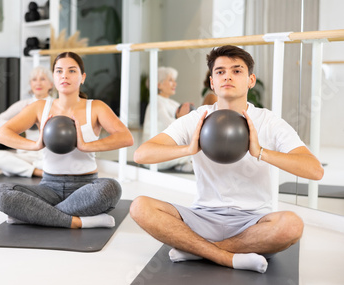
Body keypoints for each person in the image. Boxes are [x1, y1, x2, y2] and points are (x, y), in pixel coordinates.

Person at [130, 45, 324, 273]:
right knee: (140, 206)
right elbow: (141, 154)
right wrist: (188, 149)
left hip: (252, 224)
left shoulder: (269, 122)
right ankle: (228, 257)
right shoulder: (196, 119)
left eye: (236, 71)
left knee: (291, 226)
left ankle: (200, 251)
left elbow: (314, 170)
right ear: (212, 82)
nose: (227, 76)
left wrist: (261, 152)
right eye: (220, 71)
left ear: (251, 80)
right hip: (202, 217)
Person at [0, 51, 134, 229]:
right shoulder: (39, 107)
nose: (64, 75)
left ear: (82, 77)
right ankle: (77, 222)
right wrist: (35, 145)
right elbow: (1, 134)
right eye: (59, 71)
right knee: (0, 193)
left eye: (72, 71)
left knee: (111, 188)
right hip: (49, 187)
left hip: (86, 186)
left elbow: (126, 138)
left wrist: (86, 146)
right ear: (54, 77)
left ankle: (35, 215)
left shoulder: (96, 107)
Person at [0, 65, 54, 177]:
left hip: (48, 154)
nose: (38, 83)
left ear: (51, 84)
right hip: (27, 154)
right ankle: (37, 172)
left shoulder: (56, 104)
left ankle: (22, 169)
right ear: (30, 84)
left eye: (43, 79)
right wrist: (20, 123)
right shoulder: (24, 104)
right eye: (34, 79)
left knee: (9, 170)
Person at [142, 66, 194, 172]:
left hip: (167, 150)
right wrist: (182, 117)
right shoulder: (156, 102)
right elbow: (171, 126)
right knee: (196, 153)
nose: (175, 84)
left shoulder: (171, 103)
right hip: (155, 156)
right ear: (159, 85)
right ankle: (184, 164)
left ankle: (182, 165)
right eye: (170, 80)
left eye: (174, 81)